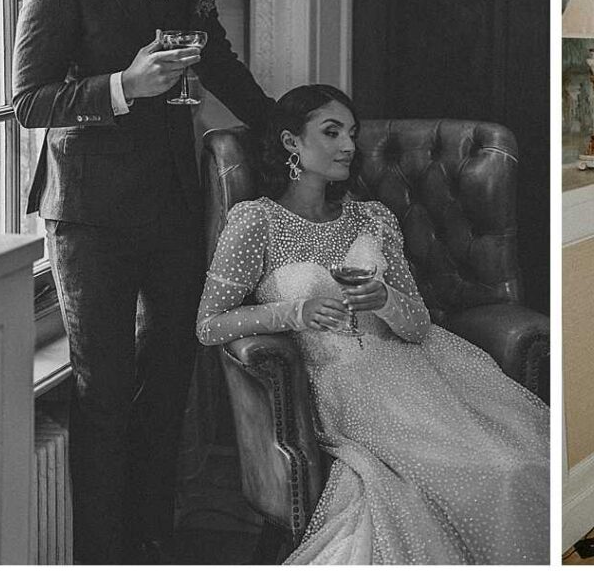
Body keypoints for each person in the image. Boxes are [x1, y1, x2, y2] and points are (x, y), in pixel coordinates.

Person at [11, 0, 274, 566]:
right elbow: (29, 100)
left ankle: (154, 539)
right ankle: (104, 553)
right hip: (89, 216)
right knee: (103, 391)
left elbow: (215, 54)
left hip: (170, 200)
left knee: (168, 384)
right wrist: (127, 85)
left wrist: (277, 121)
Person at [197, 84, 549, 564]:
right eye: (331, 132)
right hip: (349, 389)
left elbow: (418, 326)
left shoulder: (374, 217)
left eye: (352, 133)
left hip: (426, 373)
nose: (348, 145)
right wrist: (293, 313)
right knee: (485, 473)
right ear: (290, 143)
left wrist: (384, 299)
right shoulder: (256, 221)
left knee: (520, 463)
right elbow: (209, 324)